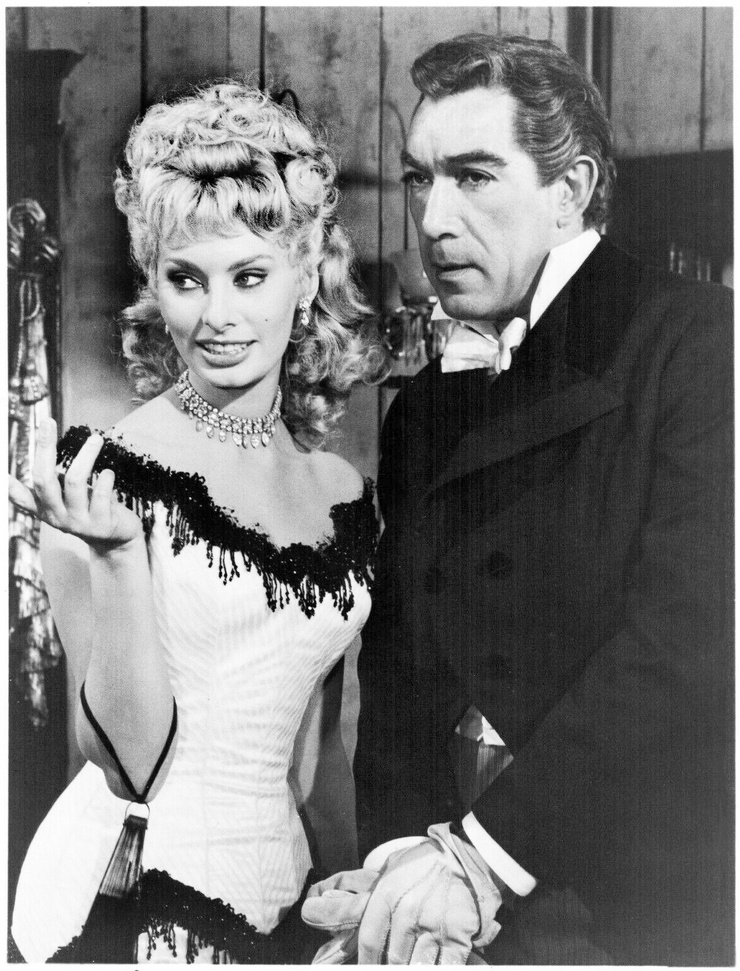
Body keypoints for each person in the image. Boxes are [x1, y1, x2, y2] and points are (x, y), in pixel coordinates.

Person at [303, 33, 733, 965]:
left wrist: (480, 859)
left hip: (635, 903)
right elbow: (399, 676)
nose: (433, 219)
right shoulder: (424, 407)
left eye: (473, 176)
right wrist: (401, 864)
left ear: (570, 189)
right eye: (420, 180)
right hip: (447, 906)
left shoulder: (701, 345)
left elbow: (687, 645)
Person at [10, 80, 386, 964]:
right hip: (126, 901)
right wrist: (117, 557)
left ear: (306, 277)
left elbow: (317, 755)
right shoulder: (101, 473)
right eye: (186, 278)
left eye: (250, 276)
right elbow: (124, 764)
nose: (217, 316)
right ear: (155, 284)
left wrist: (352, 900)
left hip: (283, 898)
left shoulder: (342, 489)